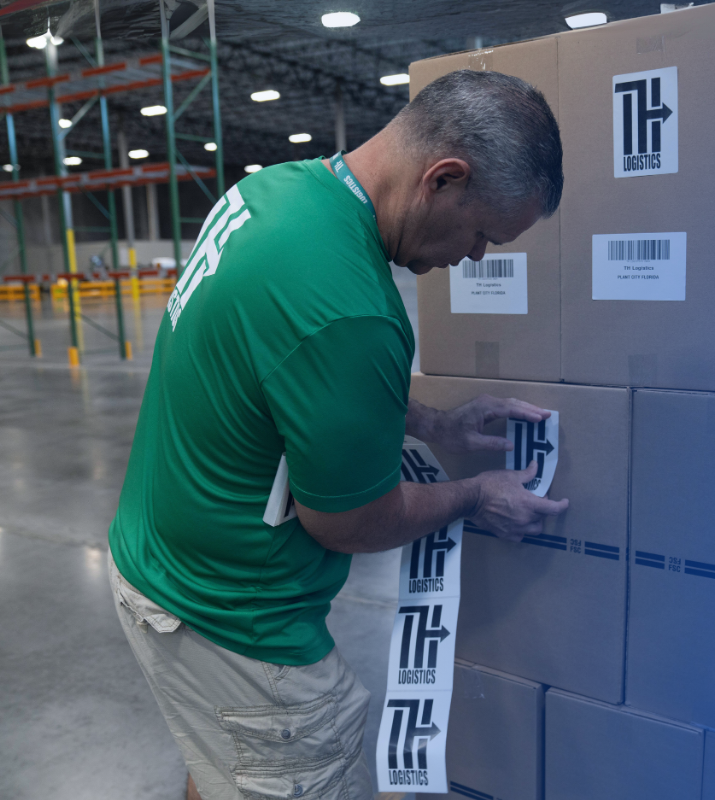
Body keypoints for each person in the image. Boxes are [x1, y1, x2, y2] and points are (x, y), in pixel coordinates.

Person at [107, 69, 566, 800]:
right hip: (233, 616)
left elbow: (289, 378)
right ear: (443, 179)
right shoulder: (353, 308)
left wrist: (435, 421)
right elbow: (351, 520)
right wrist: (474, 495)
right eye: (484, 233)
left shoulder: (274, 193)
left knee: (222, 762)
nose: (476, 256)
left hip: (158, 565)